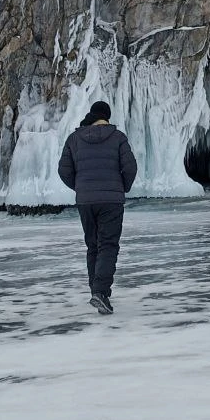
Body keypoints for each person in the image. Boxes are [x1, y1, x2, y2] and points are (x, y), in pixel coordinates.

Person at [57, 100, 138, 314]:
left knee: (93, 246)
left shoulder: (75, 138)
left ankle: (96, 290)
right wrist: (123, 187)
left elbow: (64, 170)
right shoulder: (118, 137)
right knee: (108, 245)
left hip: (86, 201)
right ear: (107, 117)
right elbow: (130, 167)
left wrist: (81, 188)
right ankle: (100, 292)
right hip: (111, 200)